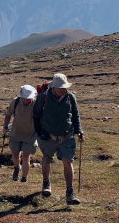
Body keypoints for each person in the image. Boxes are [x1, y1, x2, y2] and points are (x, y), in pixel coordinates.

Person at [33, 72, 85, 205]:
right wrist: (40, 132)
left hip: (67, 136)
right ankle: (46, 183)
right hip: (48, 136)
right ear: (53, 87)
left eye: (64, 87)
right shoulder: (44, 97)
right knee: (46, 159)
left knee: (68, 161)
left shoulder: (70, 97)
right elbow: (36, 115)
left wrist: (79, 131)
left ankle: (70, 193)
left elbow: (75, 115)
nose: (63, 90)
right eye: (60, 88)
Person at [3, 84, 38, 183]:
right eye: (25, 98)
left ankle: (24, 178)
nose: (27, 100)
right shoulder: (15, 102)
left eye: (29, 98)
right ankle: (17, 168)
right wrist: (5, 126)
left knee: (26, 156)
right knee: (15, 155)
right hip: (15, 133)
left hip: (30, 135)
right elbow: (8, 114)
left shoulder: (36, 104)